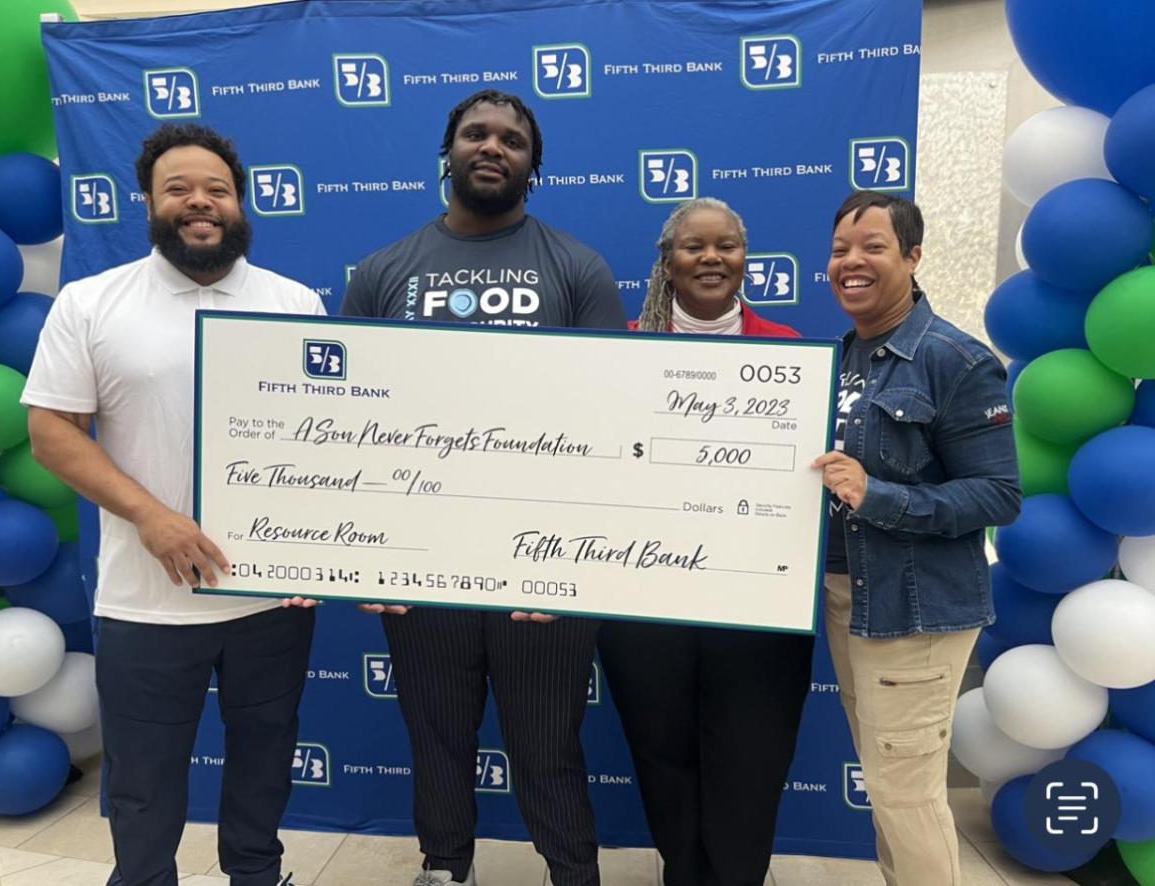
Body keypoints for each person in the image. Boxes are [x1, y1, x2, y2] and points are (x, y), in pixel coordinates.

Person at [24, 123, 322, 886]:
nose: (200, 202)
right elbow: (53, 433)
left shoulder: (295, 303)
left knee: (264, 767)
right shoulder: (92, 302)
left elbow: (324, 446)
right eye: (179, 189)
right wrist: (151, 516)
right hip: (147, 605)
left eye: (217, 190)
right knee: (144, 786)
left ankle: (258, 874)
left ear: (241, 204)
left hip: (270, 603)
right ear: (149, 204)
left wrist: (324, 547)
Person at [339, 89, 626, 886]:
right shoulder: (386, 273)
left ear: (535, 166)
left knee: (546, 745)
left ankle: (573, 872)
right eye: (476, 133)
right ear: (449, 152)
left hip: (544, 566)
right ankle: (445, 868)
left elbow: (615, 421)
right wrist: (367, 555)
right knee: (436, 737)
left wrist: (582, 565)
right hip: (422, 563)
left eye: (512, 139)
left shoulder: (576, 268)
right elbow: (344, 422)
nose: (492, 146)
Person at [596, 197, 814, 886]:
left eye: (727, 246)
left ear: (746, 259)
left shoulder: (789, 354)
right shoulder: (622, 349)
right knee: (661, 754)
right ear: (668, 260)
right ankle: (683, 874)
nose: (712, 258)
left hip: (757, 607)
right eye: (694, 246)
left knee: (751, 759)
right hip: (648, 603)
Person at [812, 191, 1021, 885]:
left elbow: (998, 494)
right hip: (852, 598)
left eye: (873, 247)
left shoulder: (954, 359)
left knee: (906, 791)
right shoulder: (844, 356)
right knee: (888, 785)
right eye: (841, 249)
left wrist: (879, 495)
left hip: (916, 610)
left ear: (913, 256)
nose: (852, 262)